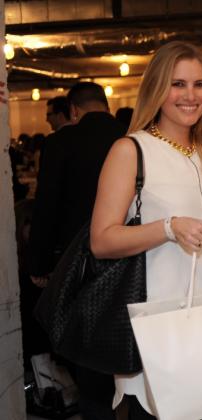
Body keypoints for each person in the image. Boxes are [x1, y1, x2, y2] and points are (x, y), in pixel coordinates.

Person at [90, 41, 202, 419]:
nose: (190, 95)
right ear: (156, 88)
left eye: (199, 85)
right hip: (160, 330)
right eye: (177, 84)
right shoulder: (131, 150)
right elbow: (101, 240)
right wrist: (168, 228)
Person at [27, 82, 125, 419]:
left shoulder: (61, 142)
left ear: (73, 110)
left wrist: (39, 263)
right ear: (106, 104)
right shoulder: (133, 136)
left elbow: (47, 207)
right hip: (133, 257)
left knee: (90, 359)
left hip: (80, 263)